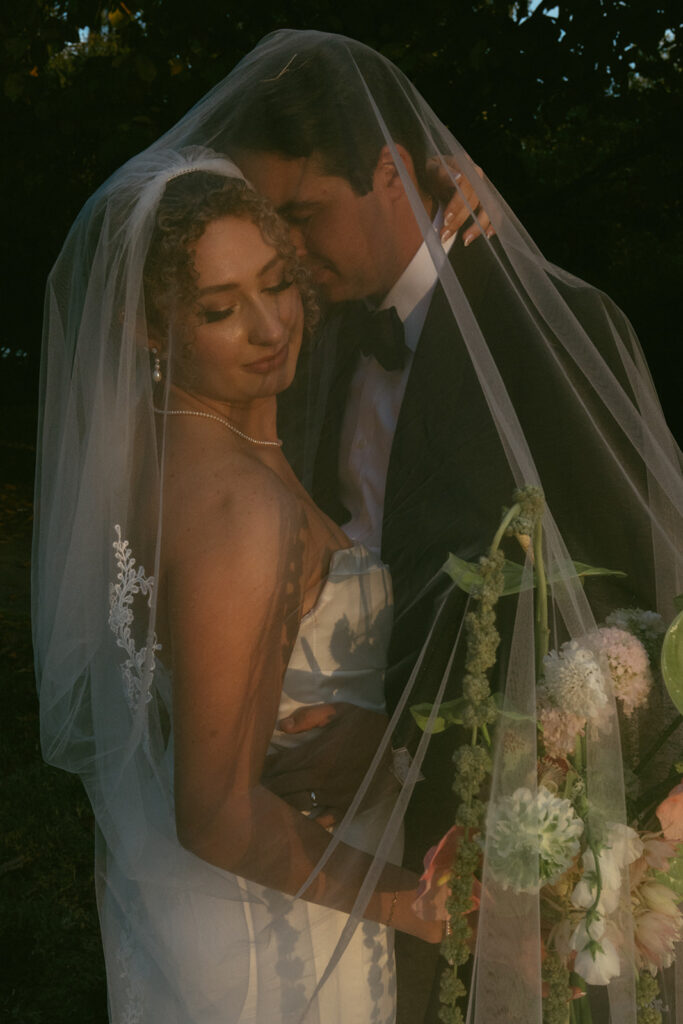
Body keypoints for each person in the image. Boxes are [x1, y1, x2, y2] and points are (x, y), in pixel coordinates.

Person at [34, 30, 682, 1024]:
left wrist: (400, 751)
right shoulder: (292, 354)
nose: (280, 279)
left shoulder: (541, 335)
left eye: (297, 220)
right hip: (316, 898)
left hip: (485, 874)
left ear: (390, 171)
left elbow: (641, 613)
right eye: (261, 242)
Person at [33, 149, 447, 1024]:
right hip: (284, 934)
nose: (271, 329)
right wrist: (409, 902)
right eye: (221, 310)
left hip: (229, 911)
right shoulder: (238, 509)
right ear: (154, 329)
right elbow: (215, 812)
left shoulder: (183, 457)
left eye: (277, 285)